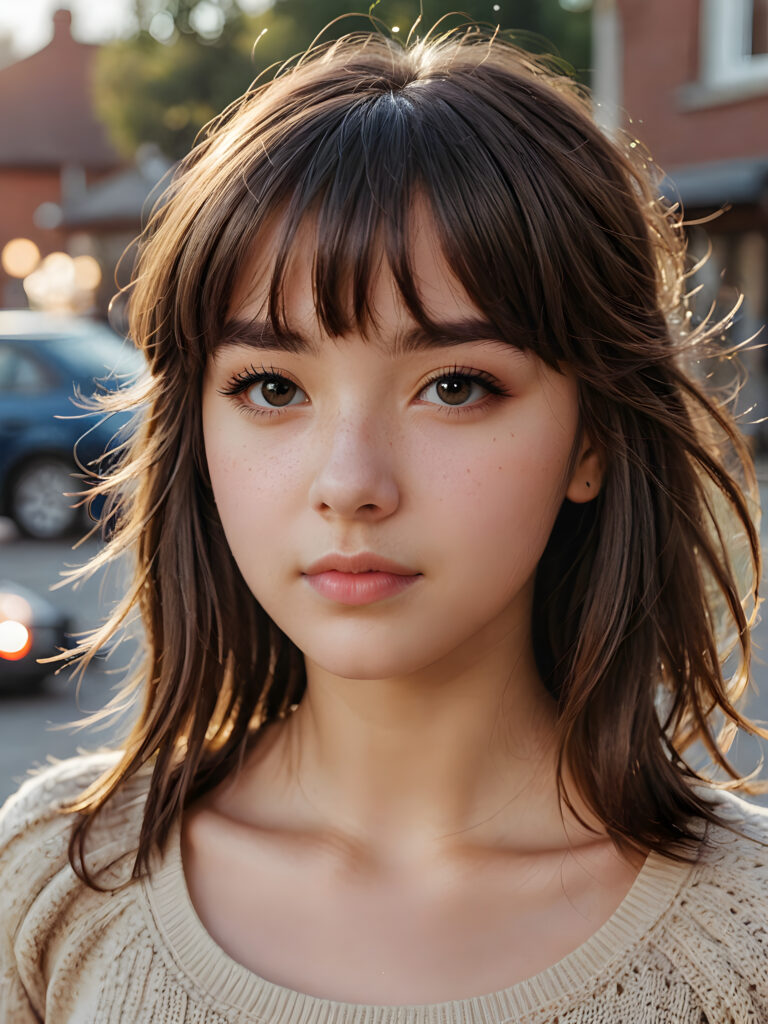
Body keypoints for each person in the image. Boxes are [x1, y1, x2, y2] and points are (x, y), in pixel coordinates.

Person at [2, 19, 768, 1024]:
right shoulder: (59, 880)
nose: (350, 483)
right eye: (272, 384)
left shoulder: (743, 940)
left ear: (594, 439)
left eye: (455, 385)